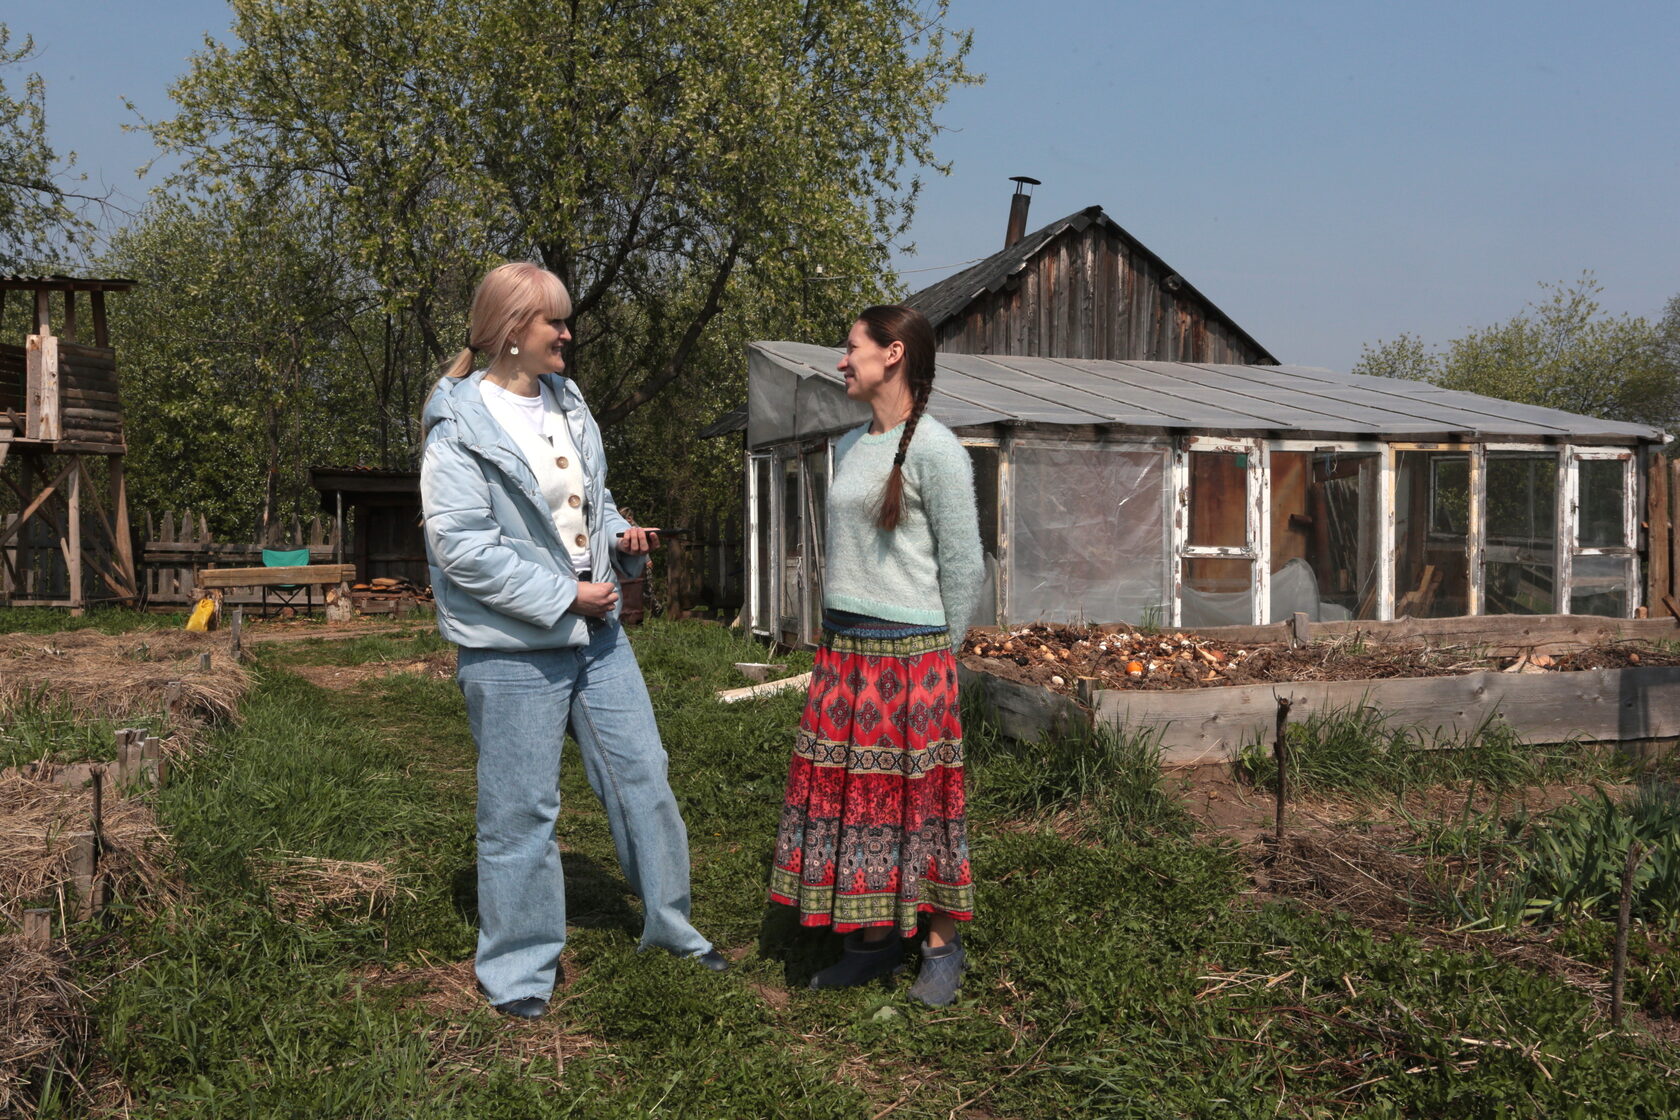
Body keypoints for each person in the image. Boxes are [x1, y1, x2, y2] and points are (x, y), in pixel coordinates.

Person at [421, 261, 727, 1021]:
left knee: (643, 777)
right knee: (521, 810)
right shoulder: (458, 427)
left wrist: (621, 538)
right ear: (509, 333)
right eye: (552, 321)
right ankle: (520, 972)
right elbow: (462, 548)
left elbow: (592, 497)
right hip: (512, 648)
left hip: (597, 637)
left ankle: (672, 929)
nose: (567, 333)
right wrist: (565, 594)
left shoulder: (568, 402)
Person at [768, 304, 983, 1006]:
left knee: (924, 802)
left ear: (892, 354)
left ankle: (942, 946)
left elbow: (964, 568)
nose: (841, 360)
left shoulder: (939, 451)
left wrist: (938, 665)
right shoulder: (858, 445)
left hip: (911, 660)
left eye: (851, 348)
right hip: (847, 655)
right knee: (857, 803)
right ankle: (871, 940)